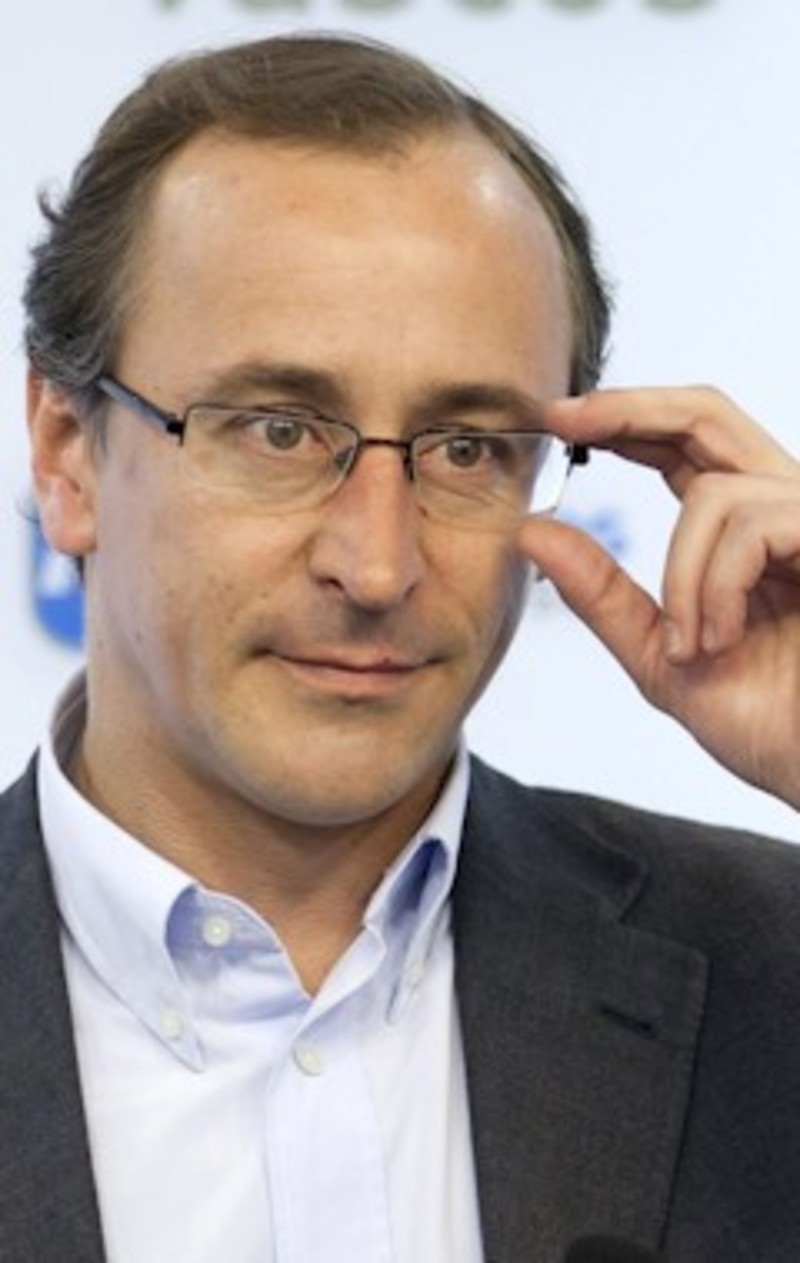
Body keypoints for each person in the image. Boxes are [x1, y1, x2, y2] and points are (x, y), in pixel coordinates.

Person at [5, 30, 800, 1263]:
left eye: (467, 447)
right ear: (66, 453)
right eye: (277, 430)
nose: (377, 566)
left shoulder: (769, 973)